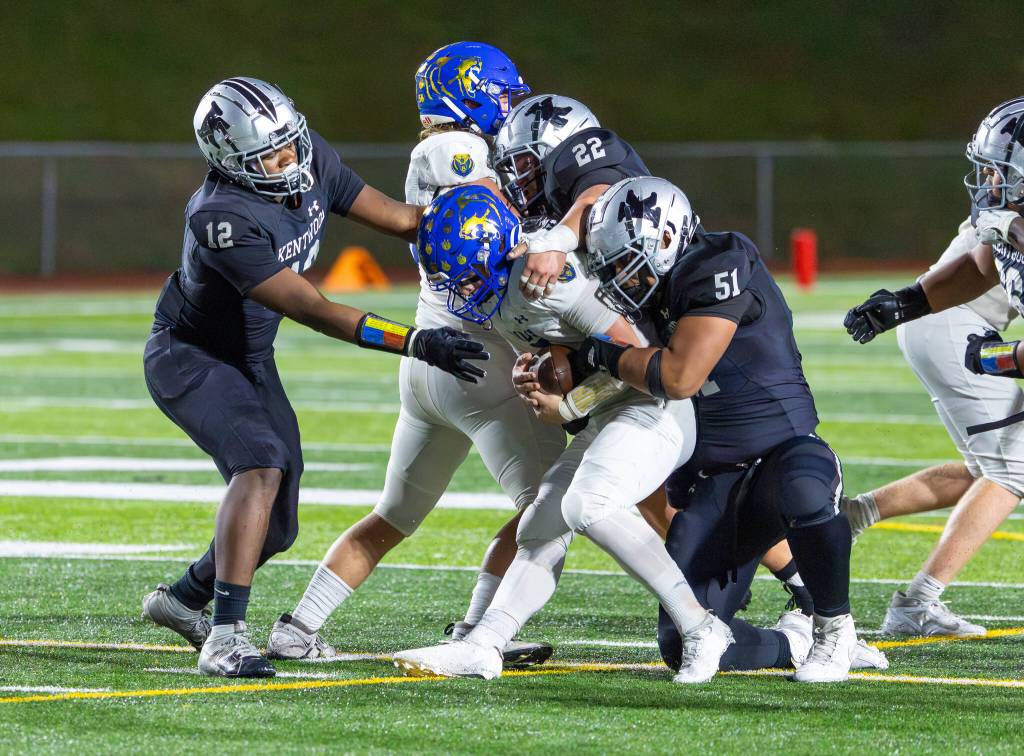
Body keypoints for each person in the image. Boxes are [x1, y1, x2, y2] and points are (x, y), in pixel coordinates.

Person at [140, 76, 487, 678]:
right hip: (190, 355)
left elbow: (403, 220)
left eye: (290, 143)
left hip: (249, 357)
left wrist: (486, 219)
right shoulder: (221, 217)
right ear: (230, 161)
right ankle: (224, 637)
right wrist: (419, 342)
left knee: (276, 527)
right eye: (269, 155)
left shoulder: (306, 151)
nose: (289, 159)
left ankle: (183, 599)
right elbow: (318, 310)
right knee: (261, 461)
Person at [266, 43, 564, 668]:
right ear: (473, 92)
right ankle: (480, 633)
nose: (510, 105)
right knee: (551, 512)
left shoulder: (437, 152)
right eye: (501, 92)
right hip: (482, 365)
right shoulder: (457, 153)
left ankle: (299, 625)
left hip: (431, 358)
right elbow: (490, 229)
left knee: (394, 515)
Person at [392, 184, 735, 684]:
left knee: (587, 506)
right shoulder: (503, 285)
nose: (461, 291)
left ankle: (703, 629)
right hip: (609, 417)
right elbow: (553, 350)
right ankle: (485, 644)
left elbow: (638, 357)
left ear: (497, 250)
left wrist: (570, 403)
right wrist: (528, 374)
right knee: (539, 528)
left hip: (655, 410)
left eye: (467, 278)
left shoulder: (553, 277)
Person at [493, 96, 816, 609]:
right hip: (621, 337)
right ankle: (706, 580)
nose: (517, 178)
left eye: (525, 163)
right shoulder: (550, 204)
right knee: (639, 486)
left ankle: (795, 588)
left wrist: (555, 237)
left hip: (652, 335)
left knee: (656, 471)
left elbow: (597, 192)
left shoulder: (586, 161)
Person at [577, 176, 879, 683]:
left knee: (806, 488)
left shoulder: (720, 261)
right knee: (682, 645)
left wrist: (596, 354)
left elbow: (677, 376)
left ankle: (834, 631)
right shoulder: (650, 294)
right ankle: (794, 643)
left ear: (668, 241)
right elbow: (626, 381)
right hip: (710, 480)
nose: (622, 282)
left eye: (627, 266)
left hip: (783, 453)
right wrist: (566, 395)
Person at [843, 97, 1024, 636]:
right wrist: (906, 302)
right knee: (1008, 467)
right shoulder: (1009, 222)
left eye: (1003, 170)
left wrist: (998, 358)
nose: (990, 180)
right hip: (959, 328)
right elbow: (977, 266)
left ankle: (861, 523)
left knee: (999, 467)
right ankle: (916, 602)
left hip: (972, 335)